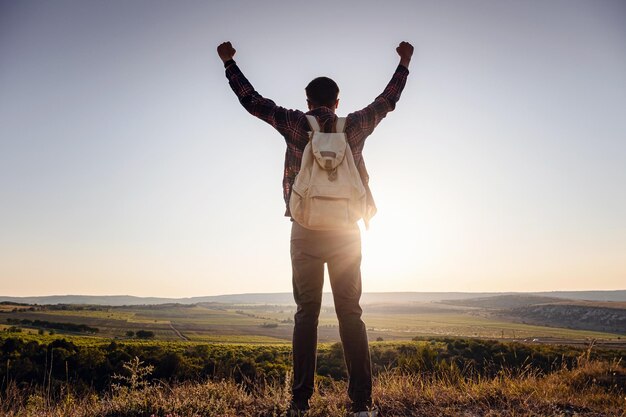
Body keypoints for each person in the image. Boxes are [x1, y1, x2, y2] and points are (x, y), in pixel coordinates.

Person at [217, 40, 413, 417]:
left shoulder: (295, 124)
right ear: (337, 102)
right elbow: (387, 101)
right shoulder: (352, 125)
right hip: (346, 234)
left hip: (305, 230)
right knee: (350, 315)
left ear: (307, 101)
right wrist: (404, 62)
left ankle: (299, 402)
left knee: (306, 314)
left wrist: (229, 63)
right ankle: (360, 405)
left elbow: (253, 102)